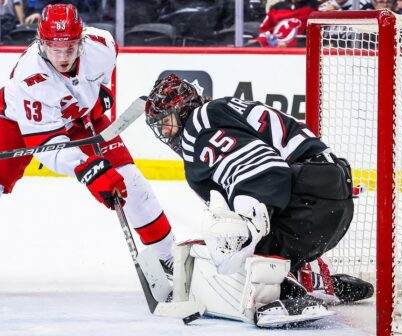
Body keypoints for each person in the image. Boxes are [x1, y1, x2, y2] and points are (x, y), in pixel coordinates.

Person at [0, 3, 175, 288]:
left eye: (70, 48)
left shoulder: (102, 44)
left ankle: (169, 257)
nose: (62, 56)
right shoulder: (28, 77)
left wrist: (103, 97)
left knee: (132, 183)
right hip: (16, 122)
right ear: (41, 42)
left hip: (81, 116)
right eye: (54, 48)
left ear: (81, 41)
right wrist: (87, 168)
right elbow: (47, 145)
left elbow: (104, 78)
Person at [144, 74, 373, 326]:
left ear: (185, 109)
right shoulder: (220, 112)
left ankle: (279, 294)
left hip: (306, 201)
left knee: (238, 247)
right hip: (331, 201)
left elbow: (262, 170)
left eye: (167, 121)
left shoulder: (198, 125)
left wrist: (244, 225)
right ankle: (319, 280)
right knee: (254, 239)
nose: (165, 132)